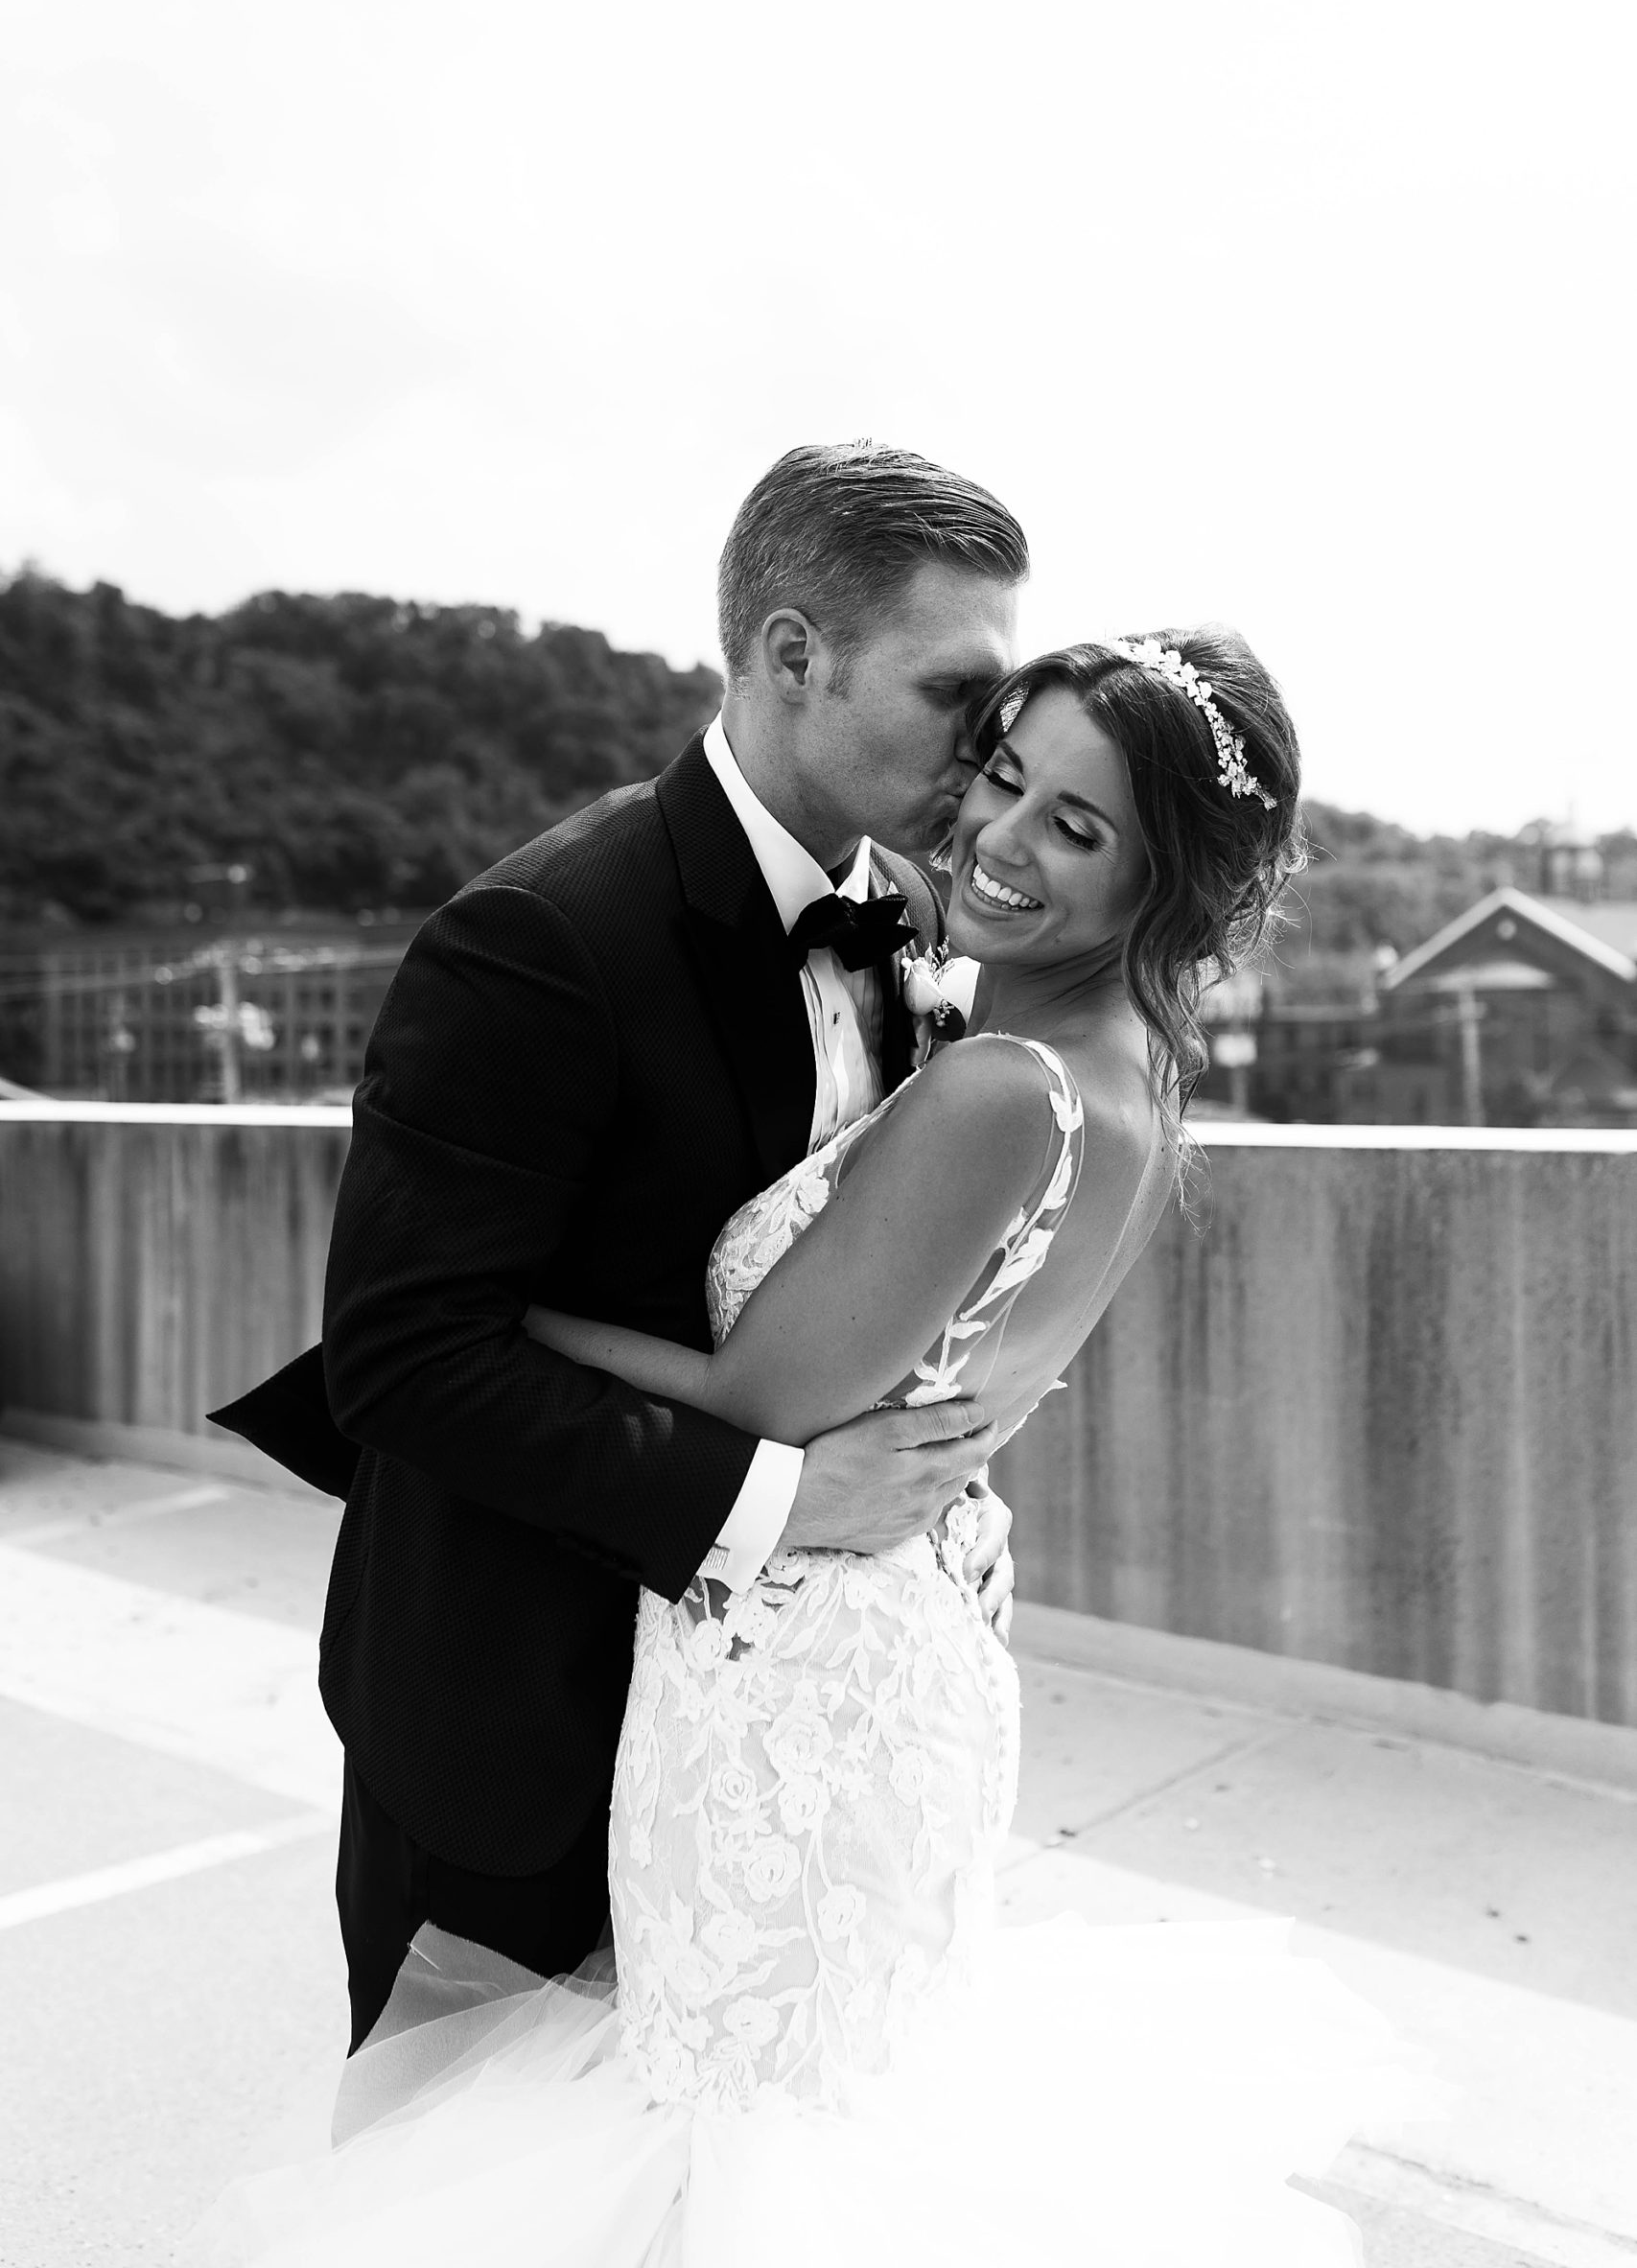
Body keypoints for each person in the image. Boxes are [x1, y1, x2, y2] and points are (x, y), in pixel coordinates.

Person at [191, 629, 1412, 2268]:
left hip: (801, 1684)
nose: (1002, 833)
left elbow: (764, 1396)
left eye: (1080, 826)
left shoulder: (1000, 1085)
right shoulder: (1126, 1070)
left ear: (1166, 881)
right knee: (781, 2142)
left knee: (716, 2160)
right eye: (1004, 772)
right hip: (887, 1654)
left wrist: (495, 1318)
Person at [211, 440, 1031, 2053]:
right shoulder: (538, 940)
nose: (988, 750)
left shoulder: (923, 928)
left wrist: (941, 1493)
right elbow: (402, 1357)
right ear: (796, 656)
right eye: (957, 694)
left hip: (769, 1767)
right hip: (526, 1716)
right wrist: (786, 1499)